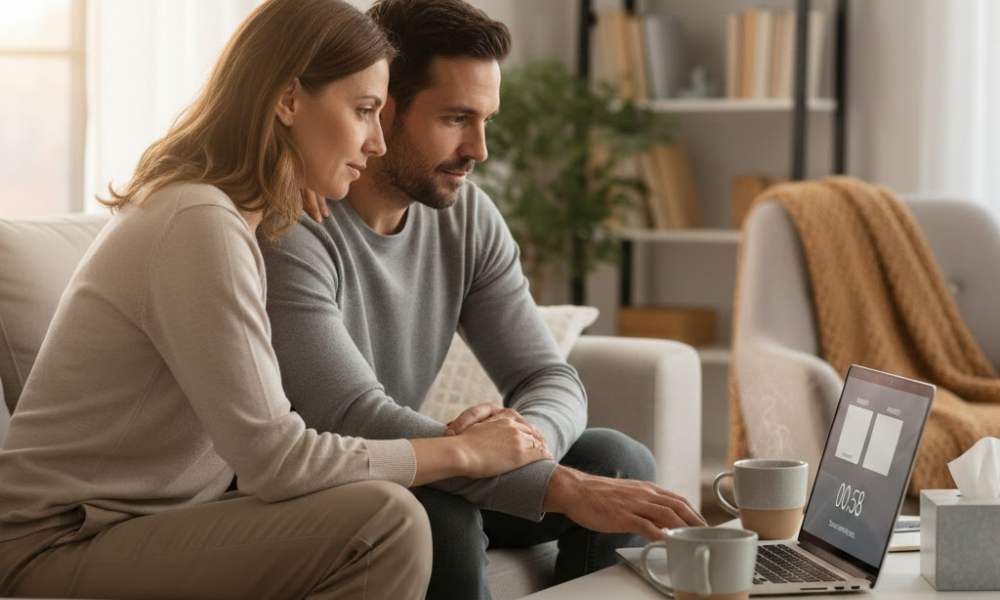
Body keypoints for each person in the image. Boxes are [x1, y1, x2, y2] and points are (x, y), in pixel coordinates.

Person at [0, 1, 551, 598]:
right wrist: (465, 452)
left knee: (393, 509)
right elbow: (278, 460)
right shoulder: (197, 221)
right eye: (364, 110)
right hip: (57, 542)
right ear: (289, 101)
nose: (376, 142)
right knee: (384, 522)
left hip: (150, 523)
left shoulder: (231, 215)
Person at [260, 1, 705, 598]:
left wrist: (523, 441)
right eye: (456, 118)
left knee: (617, 460)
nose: (480, 149)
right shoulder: (293, 221)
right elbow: (348, 416)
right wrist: (525, 473)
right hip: (332, 483)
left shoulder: (466, 218)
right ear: (381, 107)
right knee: (439, 516)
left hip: (427, 464)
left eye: (486, 120)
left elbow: (548, 375)